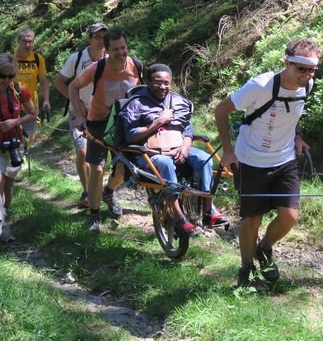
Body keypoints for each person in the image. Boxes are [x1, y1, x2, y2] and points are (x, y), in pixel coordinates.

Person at [215, 37, 319, 288]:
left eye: (312, 69)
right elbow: (221, 110)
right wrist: (228, 152)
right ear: (287, 63)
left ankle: (264, 248)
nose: (307, 74)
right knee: (252, 219)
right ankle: (246, 271)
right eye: (301, 68)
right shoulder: (260, 85)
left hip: (284, 159)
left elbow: (294, 114)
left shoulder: (307, 86)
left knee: (290, 216)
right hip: (250, 160)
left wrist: (297, 136)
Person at [120, 63, 228, 236]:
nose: (163, 86)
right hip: (150, 153)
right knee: (165, 163)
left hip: (178, 147)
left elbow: (187, 129)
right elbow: (130, 135)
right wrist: (158, 122)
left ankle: (208, 210)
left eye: (166, 83)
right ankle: (179, 217)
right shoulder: (136, 104)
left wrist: (186, 147)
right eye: (158, 82)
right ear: (148, 82)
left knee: (204, 159)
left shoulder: (179, 102)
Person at [69, 29, 142, 232]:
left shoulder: (135, 66)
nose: (121, 52)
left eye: (123, 48)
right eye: (116, 49)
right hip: (99, 122)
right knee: (97, 168)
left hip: (125, 123)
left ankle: (109, 192)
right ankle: (94, 216)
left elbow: (142, 93)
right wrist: (79, 115)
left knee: (123, 170)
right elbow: (73, 87)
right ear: (108, 51)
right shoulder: (98, 67)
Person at [54, 23, 108, 208]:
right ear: (90, 39)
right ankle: (87, 192)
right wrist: (76, 104)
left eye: (104, 37)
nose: (101, 41)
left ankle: (102, 192)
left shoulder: (111, 58)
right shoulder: (76, 58)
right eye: (97, 37)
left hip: (103, 114)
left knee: (100, 157)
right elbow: (59, 81)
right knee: (83, 151)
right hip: (80, 113)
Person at [0, 53, 37, 242]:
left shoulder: (18, 90)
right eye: (3, 76)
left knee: (8, 185)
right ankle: (2, 226)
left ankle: (4, 218)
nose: (7, 80)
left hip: (13, 143)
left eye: (11, 76)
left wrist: (16, 121)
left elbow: (33, 113)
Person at [14, 28, 50, 145]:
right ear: (18, 41)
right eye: (25, 41)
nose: (28, 44)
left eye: (31, 41)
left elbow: (44, 80)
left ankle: (27, 159)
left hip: (31, 106)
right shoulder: (10, 59)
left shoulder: (37, 59)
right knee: (15, 139)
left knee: (31, 139)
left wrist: (46, 100)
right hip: (12, 106)